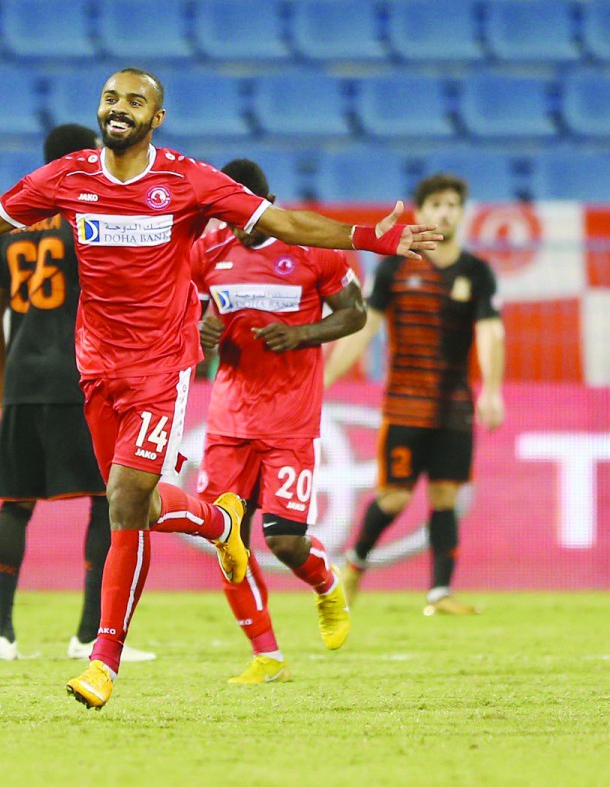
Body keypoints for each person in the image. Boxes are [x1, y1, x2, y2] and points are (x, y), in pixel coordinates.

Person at [0, 67, 441, 710]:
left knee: (123, 498)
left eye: (135, 101)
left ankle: (103, 660)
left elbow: (284, 224)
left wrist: (370, 237)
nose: (120, 108)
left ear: (155, 118)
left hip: (161, 368)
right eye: (111, 98)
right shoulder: (68, 177)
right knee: (132, 507)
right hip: (96, 366)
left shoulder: (188, 180)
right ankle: (215, 520)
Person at [190, 159, 364, 684]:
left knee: (284, 540)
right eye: (228, 212)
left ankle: (326, 584)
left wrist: (302, 335)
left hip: (290, 418)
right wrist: (202, 335)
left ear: (267, 205)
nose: (238, 222)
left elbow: (354, 313)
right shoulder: (207, 254)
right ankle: (267, 655)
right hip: (229, 418)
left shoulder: (313, 249)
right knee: (227, 541)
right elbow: (190, 322)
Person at [0, 123, 150, 665]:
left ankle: (1, 634)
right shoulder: (90, 222)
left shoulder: (8, 230)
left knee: (14, 505)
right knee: (107, 502)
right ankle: (86, 634)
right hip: (83, 377)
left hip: (25, 382)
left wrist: (7, 390)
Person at [323, 174, 506, 616]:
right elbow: (365, 327)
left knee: (445, 496)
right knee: (395, 497)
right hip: (405, 401)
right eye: (437, 205)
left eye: (453, 205)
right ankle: (354, 564)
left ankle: (439, 593)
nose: (445, 212)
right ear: (422, 212)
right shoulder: (394, 267)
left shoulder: (476, 272)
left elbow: (490, 331)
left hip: (455, 406)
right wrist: (324, 379)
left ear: (462, 212)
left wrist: (492, 390)